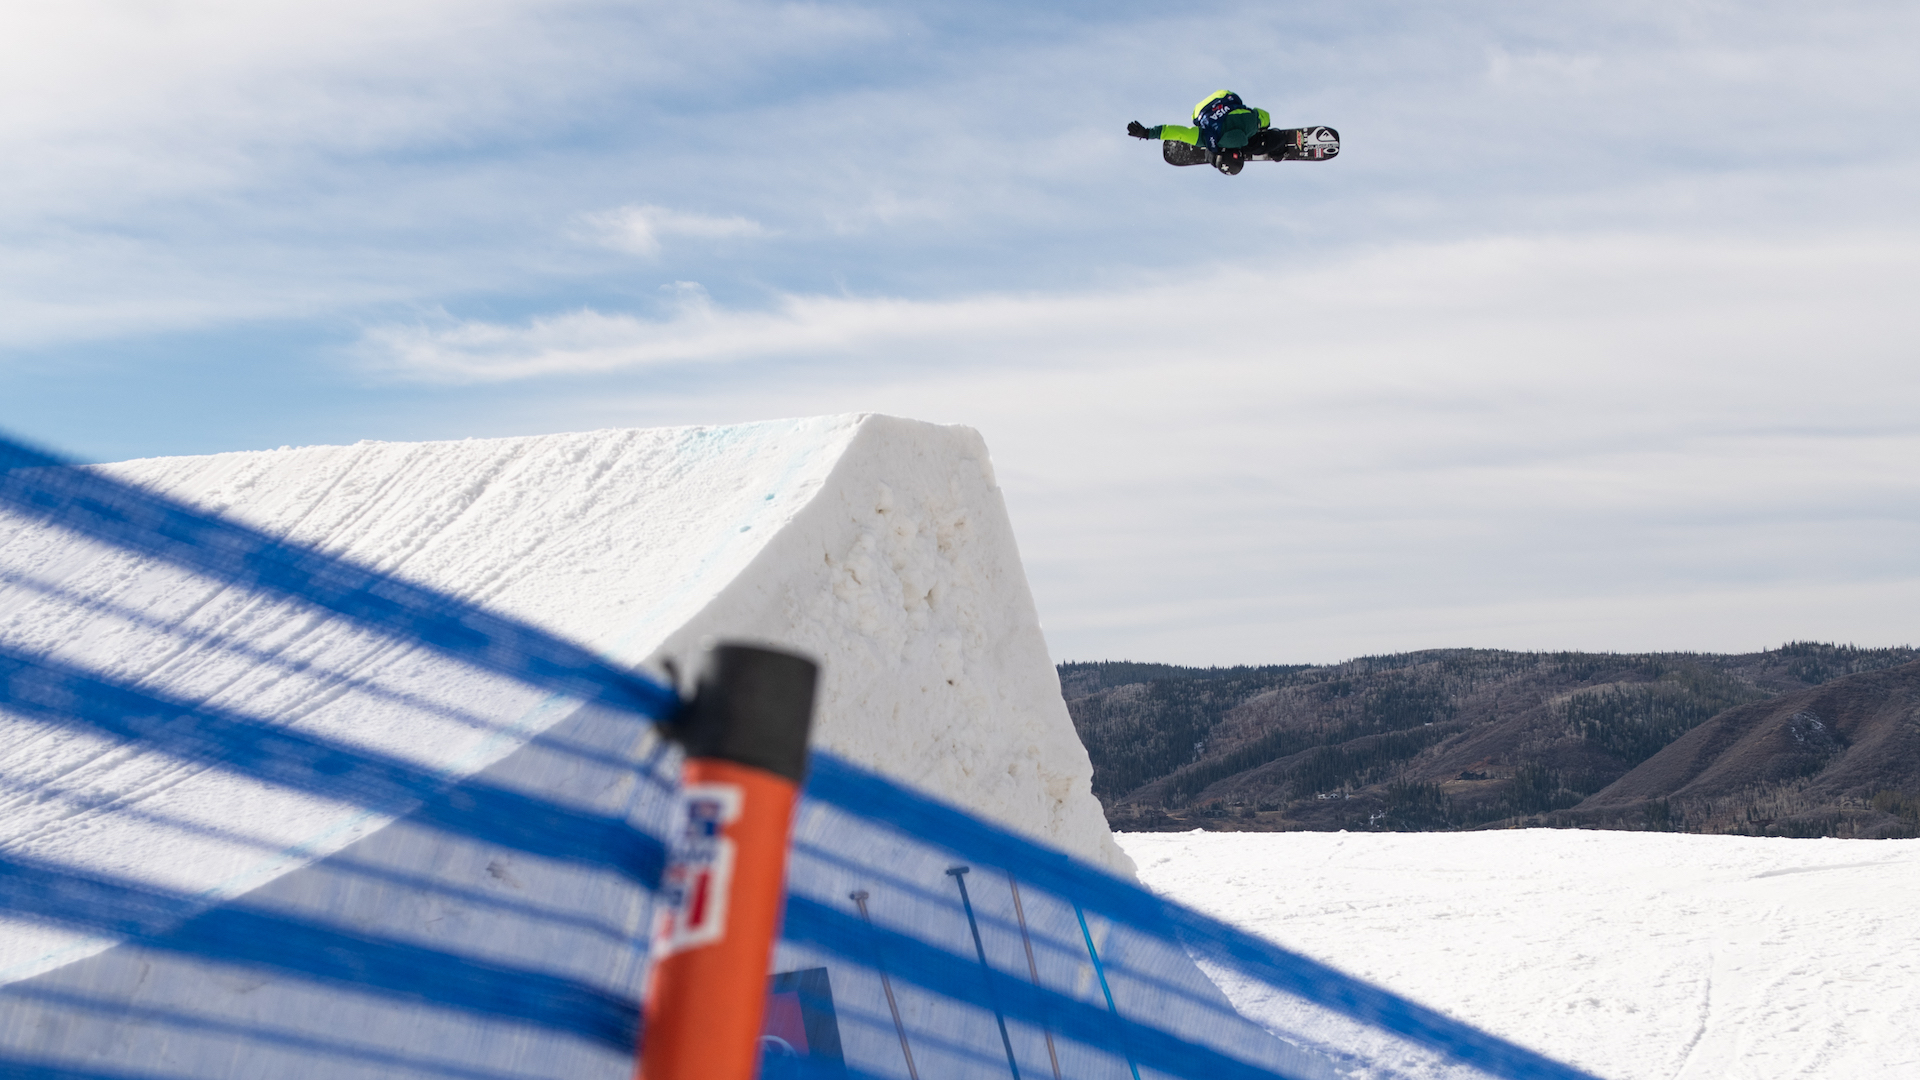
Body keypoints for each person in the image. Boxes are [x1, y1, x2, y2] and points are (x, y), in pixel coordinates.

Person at [1128, 90, 1274, 174]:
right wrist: (1147, 133)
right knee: (1208, 138)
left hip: (1221, 97)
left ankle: (1213, 154)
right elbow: (1179, 133)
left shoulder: (1251, 125)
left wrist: (1264, 125)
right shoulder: (1206, 137)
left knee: (1256, 126)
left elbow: (1264, 116)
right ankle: (1212, 154)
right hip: (1201, 109)